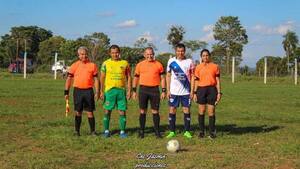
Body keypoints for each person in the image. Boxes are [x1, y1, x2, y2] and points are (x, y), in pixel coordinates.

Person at [64, 46, 100, 136]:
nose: (83, 56)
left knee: (90, 112)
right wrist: (66, 92)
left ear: (87, 54)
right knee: (78, 112)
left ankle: (93, 131)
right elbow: (68, 79)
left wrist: (97, 92)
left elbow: (96, 80)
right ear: (78, 55)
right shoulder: (74, 65)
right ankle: (77, 131)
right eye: (81, 54)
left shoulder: (92, 65)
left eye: (85, 54)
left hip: (88, 91)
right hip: (78, 91)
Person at [132, 47, 166, 138]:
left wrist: (163, 90)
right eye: (147, 54)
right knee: (142, 111)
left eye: (151, 54)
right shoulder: (139, 65)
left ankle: (157, 132)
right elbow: (135, 78)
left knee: (155, 111)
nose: (149, 56)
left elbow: (163, 78)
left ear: (153, 54)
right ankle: (141, 131)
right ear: (144, 55)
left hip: (154, 90)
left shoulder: (158, 64)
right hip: (143, 89)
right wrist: (134, 91)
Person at [100, 45, 131, 138]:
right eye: (113, 53)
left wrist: (129, 90)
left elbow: (129, 77)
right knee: (107, 111)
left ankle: (122, 132)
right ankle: (106, 131)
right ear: (110, 53)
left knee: (122, 111)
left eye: (116, 52)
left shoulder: (125, 63)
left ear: (119, 52)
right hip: (109, 91)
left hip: (121, 91)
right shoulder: (105, 63)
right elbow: (102, 77)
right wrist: (101, 91)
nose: (115, 54)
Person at [166, 43, 195, 139]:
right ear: (175, 51)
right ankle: (172, 131)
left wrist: (192, 91)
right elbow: (168, 76)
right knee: (172, 110)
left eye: (182, 51)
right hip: (174, 92)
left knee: (186, 110)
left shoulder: (189, 61)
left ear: (184, 51)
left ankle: (187, 131)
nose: (180, 53)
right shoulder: (171, 61)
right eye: (178, 51)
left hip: (186, 92)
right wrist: (168, 90)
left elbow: (193, 77)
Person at [193, 49, 222, 139]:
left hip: (212, 90)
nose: (205, 57)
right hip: (201, 90)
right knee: (201, 111)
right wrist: (194, 92)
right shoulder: (198, 67)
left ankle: (212, 132)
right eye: (203, 56)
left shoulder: (215, 66)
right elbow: (196, 81)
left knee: (211, 111)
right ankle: (201, 132)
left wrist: (219, 92)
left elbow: (217, 80)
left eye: (207, 55)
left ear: (209, 56)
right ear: (201, 57)